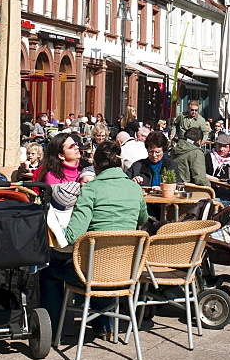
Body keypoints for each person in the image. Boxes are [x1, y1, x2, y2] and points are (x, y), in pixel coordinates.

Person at [38, 141, 148, 341]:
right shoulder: (134, 189)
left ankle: (53, 330)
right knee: (101, 257)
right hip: (126, 270)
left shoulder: (91, 190)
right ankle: (105, 326)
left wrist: (57, 229)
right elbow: (142, 219)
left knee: (49, 268)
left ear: (95, 167)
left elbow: (72, 235)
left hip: (93, 272)